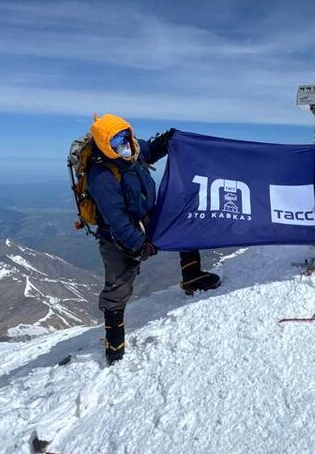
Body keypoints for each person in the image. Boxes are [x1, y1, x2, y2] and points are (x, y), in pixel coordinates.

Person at [86, 114, 221, 364]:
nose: (124, 143)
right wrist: (139, 244)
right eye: (115, 140)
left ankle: (192, 277)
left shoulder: (132, 149)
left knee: (185, 225)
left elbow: (148, 150)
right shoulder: (101, 176)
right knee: (118, 284)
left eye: (125, 135)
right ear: (105, 144)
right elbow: (117, 220)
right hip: (117, 235)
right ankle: (114, 342)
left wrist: (165, 142)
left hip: (148, 217)